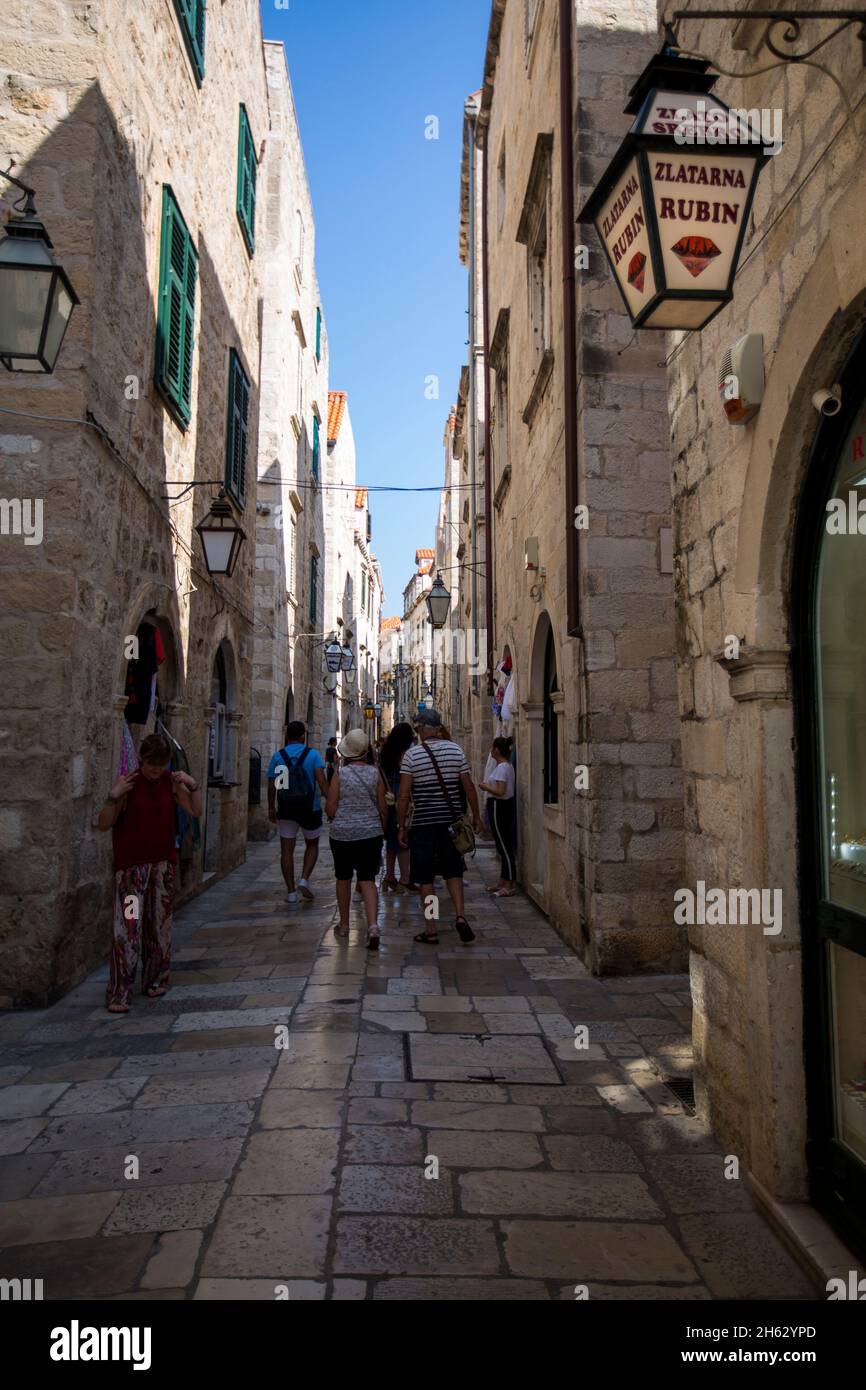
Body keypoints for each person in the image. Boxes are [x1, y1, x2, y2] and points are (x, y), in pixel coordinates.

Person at [97, 731, 202, 1013]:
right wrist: (112, 797)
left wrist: (193, 786)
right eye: (152, 764)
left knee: (159, 925)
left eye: (161, 764)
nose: (156, 770)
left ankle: (156, 979)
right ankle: (120, 990)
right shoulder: (128, 785)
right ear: (142, 759)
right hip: (133, 872)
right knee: (128, 927)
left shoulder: (169, 783)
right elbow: (104, 823)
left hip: (162, 869)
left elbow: (194, 811)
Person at [397, 709, 482, 945]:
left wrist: (401, 825)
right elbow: (468, 786)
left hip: (423, 824)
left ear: (424, 729)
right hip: (450, 824)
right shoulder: (456, 750)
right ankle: (461, 917)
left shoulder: (412, 756)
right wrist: (476, 816)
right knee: (453, 871)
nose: (417, 732)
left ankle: (431, 928)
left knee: (425, 879)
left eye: (418, 728)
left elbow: (403, 795)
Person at [325, 728, 387, 949]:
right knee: (368, 880)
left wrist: (335, 816)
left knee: (343, 878)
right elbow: (382, 806)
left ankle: (343, 925)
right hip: (370, 833)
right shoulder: (375, 773)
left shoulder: (340, 774)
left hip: (341, 834)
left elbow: (331, 808)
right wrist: (383, 826)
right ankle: (372, 926)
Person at [267, 720, 327, 904]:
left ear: (287, 735)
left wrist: (271, 807)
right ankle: (304, 879)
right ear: (303, 736)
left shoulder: (278, 756)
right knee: (312, 844)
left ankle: (291, 892)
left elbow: (274, 785)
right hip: (310, 808)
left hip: (286, 808)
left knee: (286, 850)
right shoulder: (313, 755)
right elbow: (321, 781)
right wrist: (331, 801)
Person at [378, 721, 418, 893]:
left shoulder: (385, 752)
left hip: (387, 797)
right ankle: (404, 878)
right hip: (402, 796)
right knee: (403, 838)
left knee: (391, 838)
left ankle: (388, 877)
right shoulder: (406, 754)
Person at [479, 736, 518, 896]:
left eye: (492, 747)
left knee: (504, 846)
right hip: (502, 807)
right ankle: (503, 881)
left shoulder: (502, 768)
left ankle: (509, 884)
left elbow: (501, 791)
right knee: (502, 845)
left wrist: (485, 787)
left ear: (496, 749)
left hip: (499, 806)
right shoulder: (505, 766)